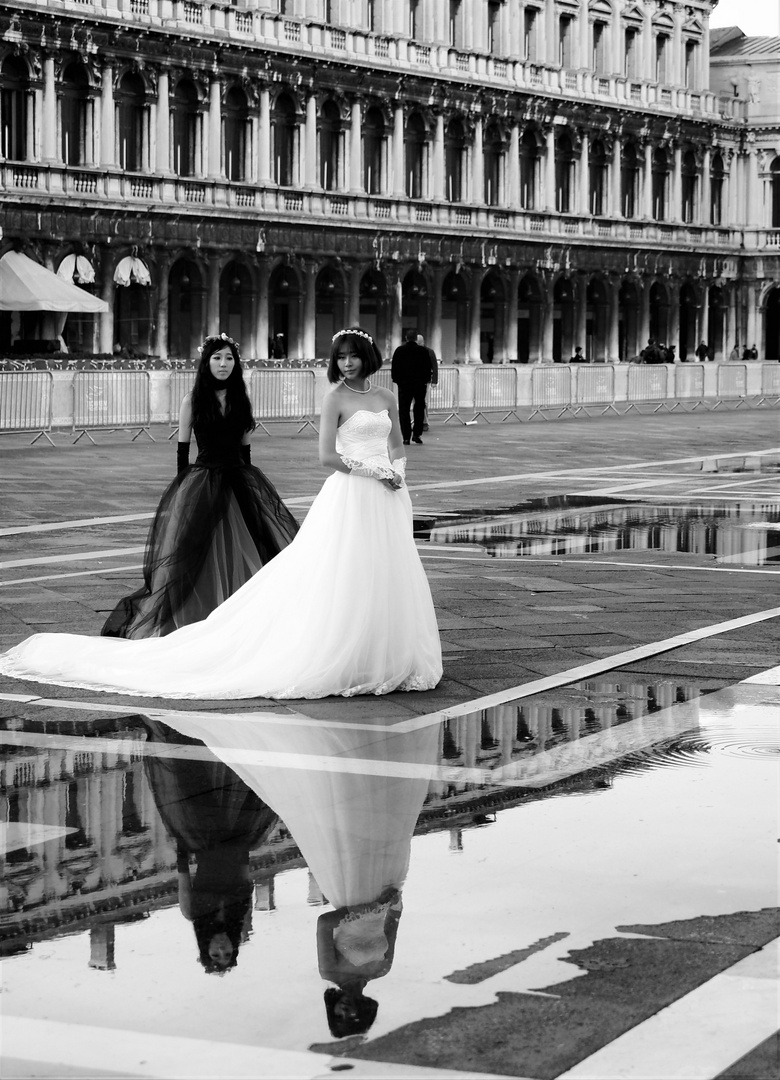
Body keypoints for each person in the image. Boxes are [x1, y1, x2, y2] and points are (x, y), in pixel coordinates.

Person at [0, 327, 442, 699]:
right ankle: (333, 648)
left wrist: (396, 475)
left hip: (372, 490)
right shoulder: (327, 398)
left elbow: (397, 444)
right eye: (340, 358)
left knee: (383, 572)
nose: (346, 364)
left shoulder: (384, 395)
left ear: (367, 356)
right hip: (326, 487)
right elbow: (325, 455)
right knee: (318, 568)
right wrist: (372, 470)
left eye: (352, 357)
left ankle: (382, 651)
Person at [101, 333, 299, 638]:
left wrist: (251, 491)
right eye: (217, 358)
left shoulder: (241, 399)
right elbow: (183, 450)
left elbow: (246, 451)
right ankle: (194, 617)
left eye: (229, 358)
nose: (223, 364)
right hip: (203, 480)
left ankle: (245, 617)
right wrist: (183, 492)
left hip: (239, 481)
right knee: (196, 555)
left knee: (251, 550)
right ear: (205, 362)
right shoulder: (192, 400)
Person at [139, 716, 278, 974]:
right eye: (227, 952)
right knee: (250, 783)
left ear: (206, 948)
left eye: (216, 953)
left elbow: (183, 874)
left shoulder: (192, 913)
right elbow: (245, 878)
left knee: (191, 778)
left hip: (204, 838)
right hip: (238, 839)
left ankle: (180, 730)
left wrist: (182, 830)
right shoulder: (241, 918)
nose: (222, 948)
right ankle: (237, 731)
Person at [391, 329, 433, 445]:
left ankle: (405, 436)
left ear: (406, 338)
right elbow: (427, 367)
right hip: (419, 384)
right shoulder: (423, 351)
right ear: (415, 339)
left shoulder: (400, 350)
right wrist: (425, 381)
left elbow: (395, 367)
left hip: (404, 384)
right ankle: (417, 434)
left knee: (404, 410)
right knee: (419, 409)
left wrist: (397, 380)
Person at [416, 333, 438, 432]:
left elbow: (435, 367)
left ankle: (424, 422)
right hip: (414, 380)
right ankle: (421, 421)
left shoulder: (429, 352)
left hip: (425, 380)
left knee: (422, 402)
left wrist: (434, 381)